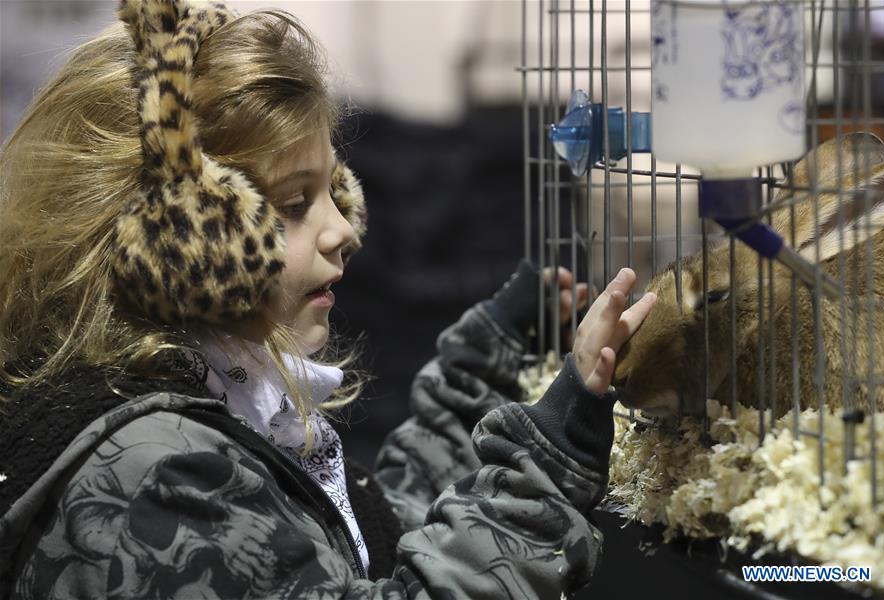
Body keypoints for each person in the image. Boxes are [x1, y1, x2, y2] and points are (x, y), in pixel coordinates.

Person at [0, 1, 656, 598]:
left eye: (332, 191)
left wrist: (481, 375)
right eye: (293, 205)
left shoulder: (194, 399)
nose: (343, 230)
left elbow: (361, 550)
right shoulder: (166, 478)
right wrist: (549, 457)